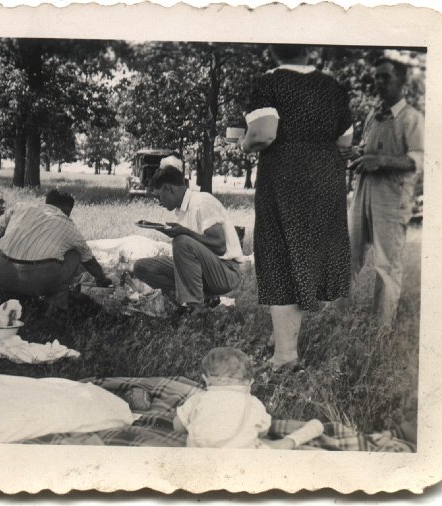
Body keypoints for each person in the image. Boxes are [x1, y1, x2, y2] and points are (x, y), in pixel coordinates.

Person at [238, 44, 353, 371]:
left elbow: (263, 134)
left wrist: (244, 143)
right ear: (308, 49)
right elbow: (345, 141)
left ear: (273, 50)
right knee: (308, 254)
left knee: (280, 254)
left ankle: (286, 357)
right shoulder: (332, 86)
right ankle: (282, 336)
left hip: (287, 173)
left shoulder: (268, 82)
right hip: (327, 172)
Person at [345, 57, 424, 326]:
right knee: (350, 253)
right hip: (363, 193)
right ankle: (338, 317)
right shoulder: (372, 114)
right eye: (377, 77)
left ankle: (380, 330)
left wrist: (381, 161)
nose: (379, 82)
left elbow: (418, 160)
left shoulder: (412, 119)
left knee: (386, 264)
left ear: (402, 82)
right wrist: (358, 153)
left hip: (392, 199)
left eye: (385, 77)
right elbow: (369, 148)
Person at [132, 166, 244, 311]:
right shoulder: (183, 209)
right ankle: (202, 299)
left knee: (181, 241)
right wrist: (175, 232)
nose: (159, 202)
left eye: (158, 196)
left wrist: (184, 233)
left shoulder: (201, 202)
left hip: (226, 271)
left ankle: (194, 308)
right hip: (206, 269)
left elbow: (219, 245)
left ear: (168, 189)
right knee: (142, 267)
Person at [0, 189, 112, 311]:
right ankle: (56, 305)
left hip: (0, 274)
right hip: (40, 281)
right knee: (75, 254)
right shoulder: (69, 225)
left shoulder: (20, 207)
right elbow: (90, 262)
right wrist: (102, 279)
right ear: (67, 209)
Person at [173, 347, 325, 449]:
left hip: (199, 458)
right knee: (274, 447)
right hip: (243, 457)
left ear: (205, 379)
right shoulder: (252, 403)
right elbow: (263, 431)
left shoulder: (198, 399)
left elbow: (178, 427)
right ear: (247, 381)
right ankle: (297, 438)